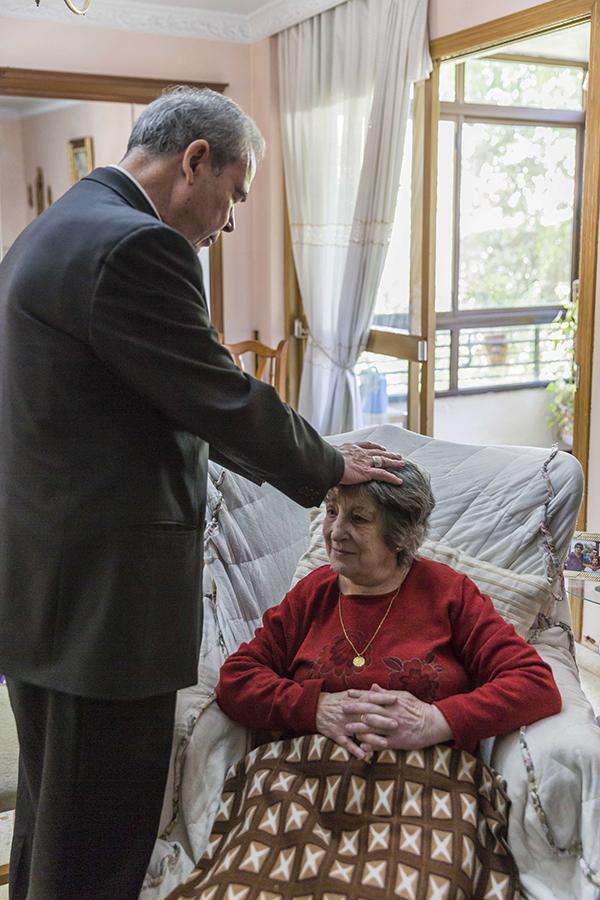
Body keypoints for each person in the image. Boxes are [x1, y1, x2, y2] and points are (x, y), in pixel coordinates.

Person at [0, 86, 403, 900]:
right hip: (105, 609)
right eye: (235, 194)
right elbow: (217, 393)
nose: (227, 223)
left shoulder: (52, 230)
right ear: (194, 162)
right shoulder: (137, 248)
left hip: (45, 592)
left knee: (53, 823)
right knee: (102, 839)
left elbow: (167, 399)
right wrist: (328, 463)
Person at [179, 460, 562, 899]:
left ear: (402, 534)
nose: (335, 531)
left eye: (358, 518)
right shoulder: (313, 594)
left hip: (426, 786)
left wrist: (437, 721)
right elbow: (237, 679)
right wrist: (315, 708)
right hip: (300, 782)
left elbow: (534, 683)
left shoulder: (449, 592)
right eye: (330, 511)